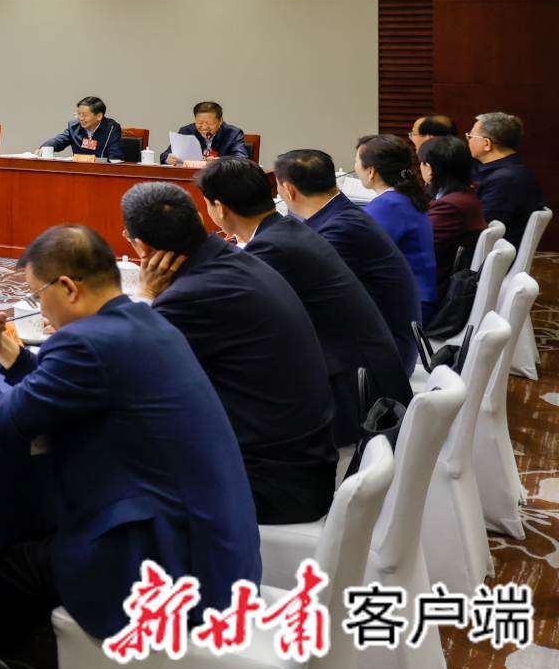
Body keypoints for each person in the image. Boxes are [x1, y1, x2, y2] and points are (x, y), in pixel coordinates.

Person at [0, 224, 258, 669]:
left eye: (38, 295)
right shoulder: (144, 322)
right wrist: (6, 350)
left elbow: (3, 424)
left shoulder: (85, 344)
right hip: (213, 547)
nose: (39, 309)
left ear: (69, 287)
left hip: (164, 565)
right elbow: (67, 386)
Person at [121, 181, 337, 524]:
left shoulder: (193, 295)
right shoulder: (231, 261)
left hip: (271, 485)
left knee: (108, 462)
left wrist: (145, 294)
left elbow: (128, 372)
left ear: (140, 246)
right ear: (198, 219)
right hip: (302, 463)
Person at [195, 158, 410, 447]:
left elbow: (227, 318)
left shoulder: (271, 247)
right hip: (366, 376)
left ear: (220, 208)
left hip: (358, 400)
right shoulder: (286, 230)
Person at [274, 149, 422, 375]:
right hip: (383, 347)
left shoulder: (339, 231)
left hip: (378, 366)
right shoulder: (342, 215)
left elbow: (299, 297)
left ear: (288, 190)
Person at [355, 135, 437, 308]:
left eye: (356, 162)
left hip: (406, 305)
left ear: (371, 172)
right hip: (415, 298)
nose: (355, 167)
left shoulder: (388, 205)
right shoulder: (403, 197)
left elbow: (357, 252)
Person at [469, 112, 546, 252]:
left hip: (491, 255)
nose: (468, 140)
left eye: (471, 136)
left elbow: (481, 229)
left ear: (487, 144)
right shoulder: (508, 171)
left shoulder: (505, 180)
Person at [418, 135, 488, 282]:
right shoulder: (463, 196)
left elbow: (419, 245)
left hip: (433, 282)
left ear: (429, 168)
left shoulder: (451, 206)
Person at [161, 101, 250, 164]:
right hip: (192, 177)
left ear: (220, 121)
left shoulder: (233, 134)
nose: (204, 127)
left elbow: (242, 159)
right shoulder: (187, 131)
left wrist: (219, 161)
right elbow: (165, 155)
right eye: (200, 123)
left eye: (209, 123)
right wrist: (168, 159)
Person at [42, 96, 124, 162]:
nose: (81, 118)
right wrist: (43, 148)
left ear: (99, 116)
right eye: (79, 114)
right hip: (79, 171)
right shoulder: (74, 126)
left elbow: (115, 157)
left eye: (84, 115)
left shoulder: (111, 128)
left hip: (101, 172)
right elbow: (59, 141)